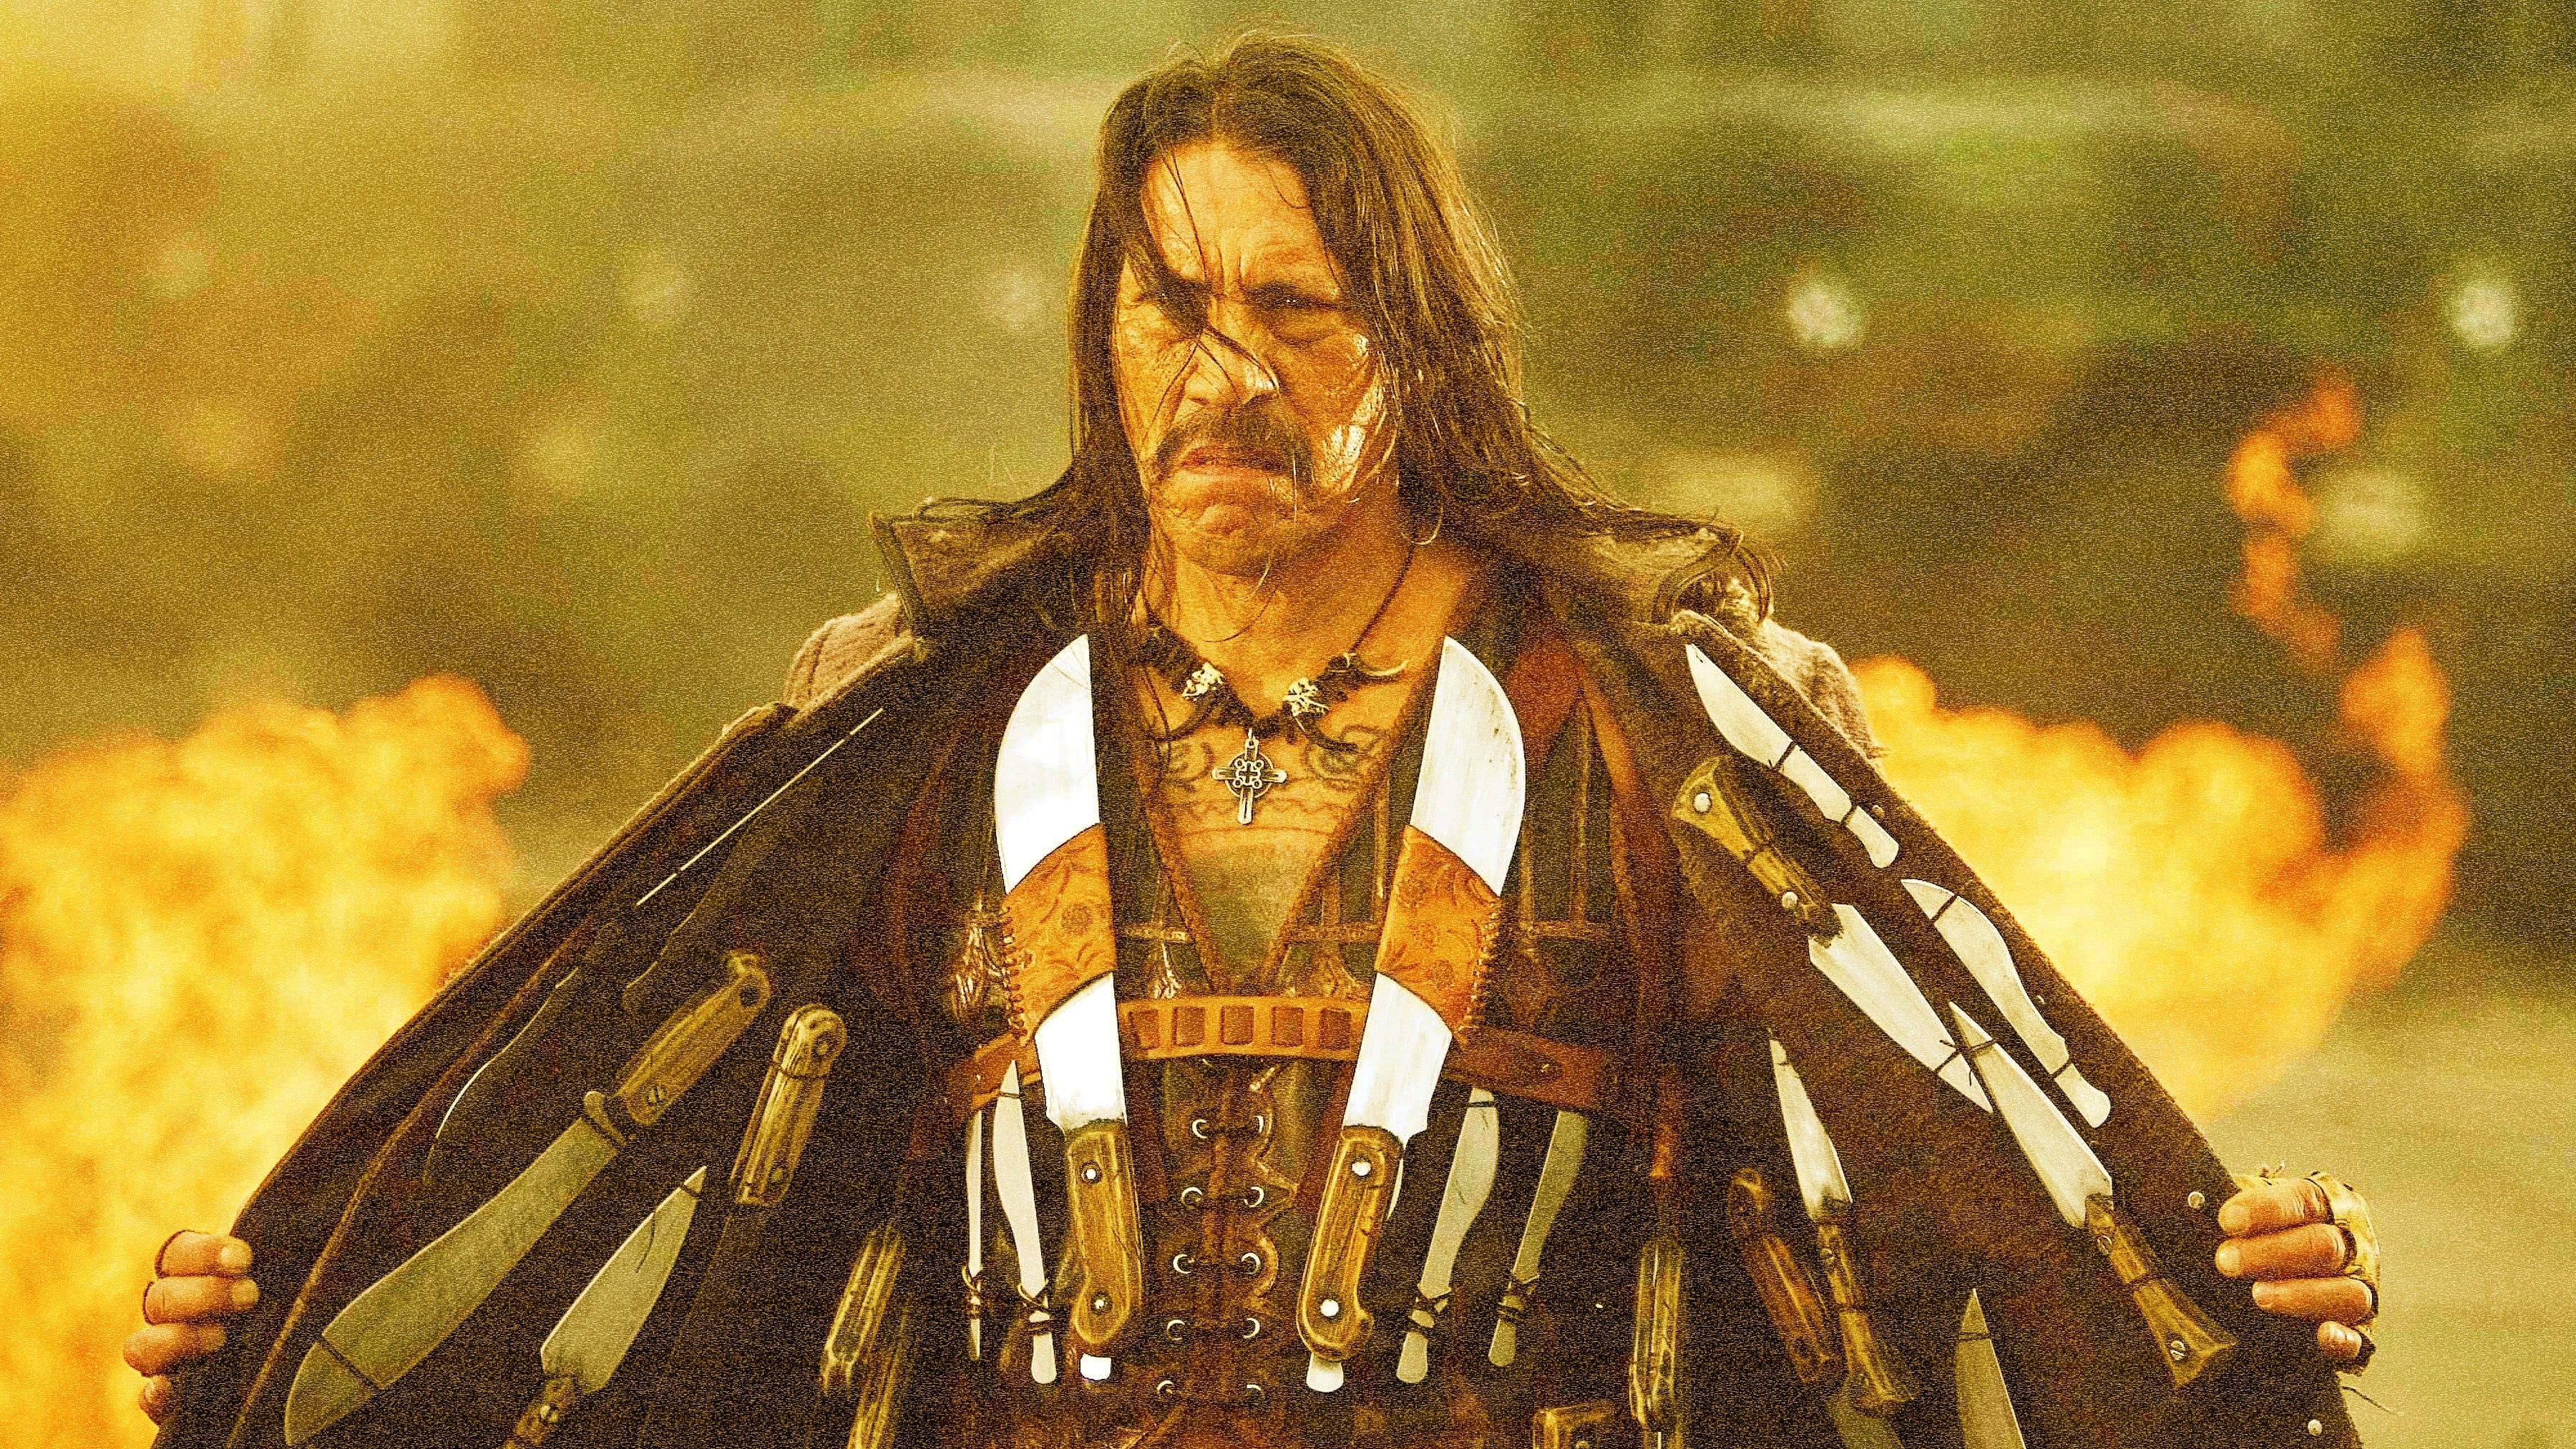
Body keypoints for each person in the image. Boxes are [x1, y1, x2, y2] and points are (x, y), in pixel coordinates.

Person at [130, 32, 2380, 1449]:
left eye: (1296, 312)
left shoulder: (1663, 722)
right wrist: (303, 1306)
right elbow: (676, 1195)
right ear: (1101, 335)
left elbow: (1935, 1176)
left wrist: (2229, 1274)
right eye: (1170, 307)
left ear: (1422, 343)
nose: (1225, 378)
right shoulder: (917, 720)